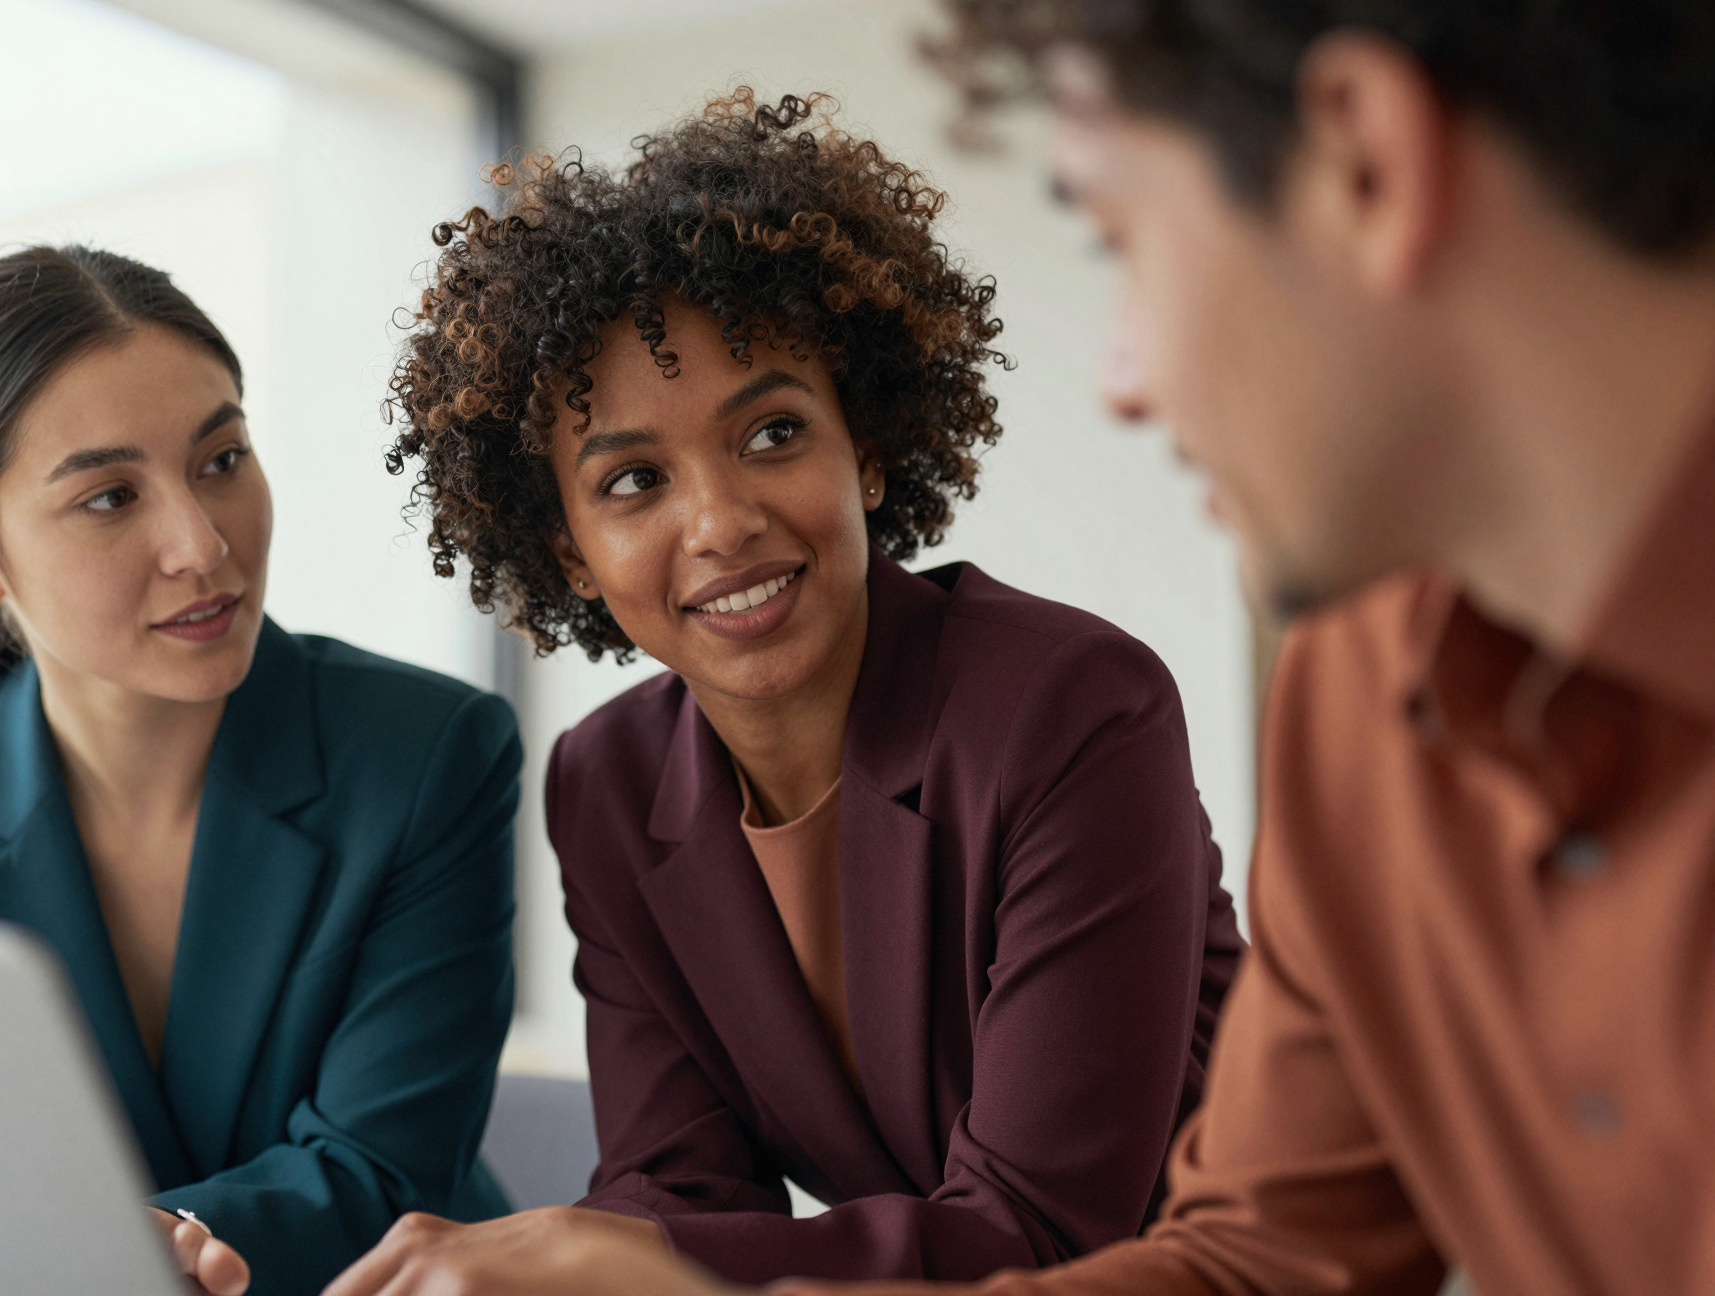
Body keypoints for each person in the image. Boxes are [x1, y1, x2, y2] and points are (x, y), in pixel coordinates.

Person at [338, 1, 1715, 1294]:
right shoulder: (1361, 692)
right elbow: (1260, 1263)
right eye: (634, 481)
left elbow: (1079, 1226)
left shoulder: (1080, 702)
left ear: (1366, 162)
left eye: (1118, 240)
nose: (1122, 378)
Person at [325, 89, 1244, 1295]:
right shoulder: (607, 783)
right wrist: (596, 1250)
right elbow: (676, 1183)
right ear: (569, 555)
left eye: (769, 434)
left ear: (862, 446)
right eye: (634, 481)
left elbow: (1041, 1230)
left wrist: (604, 1252)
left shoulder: (1073, 709)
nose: (721, 522)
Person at [0, 246, 520, 1296]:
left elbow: (377, 1173)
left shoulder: (428, 754)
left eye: (222, 460)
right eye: (110, 498)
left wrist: (102, 1253)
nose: (202, 545)